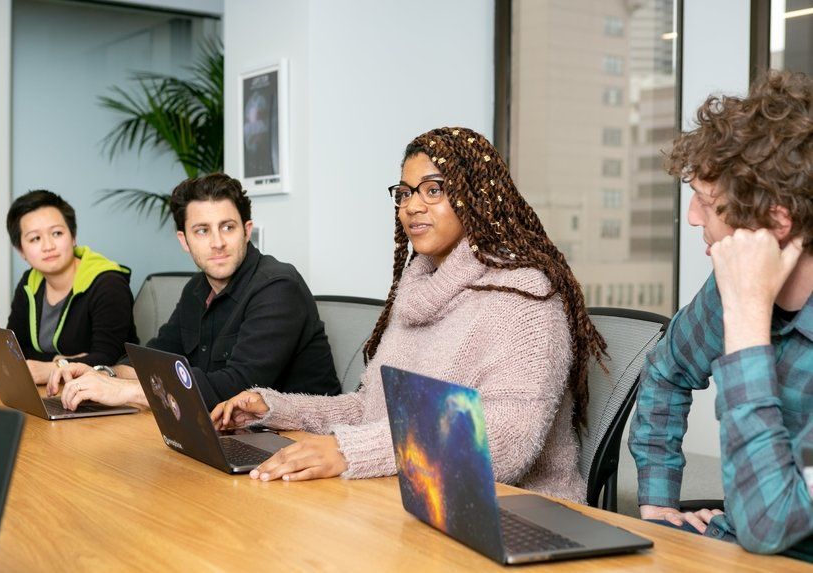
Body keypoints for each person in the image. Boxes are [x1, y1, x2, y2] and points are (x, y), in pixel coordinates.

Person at [211, 127, 606, 498]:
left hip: (515, 510)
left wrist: (352, 451)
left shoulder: (524, 296)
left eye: (434, 190)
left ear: (476, 199)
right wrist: (275, 408)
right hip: (416, 497)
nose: (412, 206)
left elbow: (506, 440)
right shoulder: (417, 292)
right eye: (405, 193)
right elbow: (370, 410)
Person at [627, 70, 813, 561]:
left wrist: (748, 316)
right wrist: (658, 505)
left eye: (707, 204)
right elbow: (666, 371)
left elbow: (770, 524)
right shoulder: (728, 289)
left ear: (776, 223)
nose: (691, 217)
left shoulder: (743, 297)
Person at [47, 173, 340, 410]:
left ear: (247, 230)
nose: (217, 242)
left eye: (227, 227)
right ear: (184, 240)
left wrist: (124, 391)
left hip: (299, 442)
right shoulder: (196, 289)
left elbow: (237, 387)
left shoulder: (277, 287)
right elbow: (156, 358)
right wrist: (104, 374)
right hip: (230, 434)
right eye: (202, 230)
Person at [6, 190, 137, 385]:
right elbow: (14, 349)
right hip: (53, 390)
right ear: (21, 251)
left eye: (57, 233)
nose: (48, 245)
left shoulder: (108, 283)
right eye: (35, 238)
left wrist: (52, 368)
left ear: (73, 236)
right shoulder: (29, 282)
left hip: (109, 394)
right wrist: (60, 360)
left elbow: (108, 359)